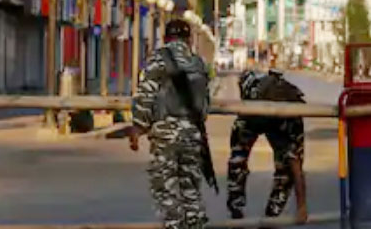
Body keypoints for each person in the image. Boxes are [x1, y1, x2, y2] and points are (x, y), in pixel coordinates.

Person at [130, 19, 211, 229]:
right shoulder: (198, 63)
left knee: (165, 188)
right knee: (191, 189)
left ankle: (174, 226)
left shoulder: (158, 59)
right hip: (193, 133)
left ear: (166, 38)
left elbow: (146, 94)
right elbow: (205, 103)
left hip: (166, 133)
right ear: (189, 39)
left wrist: (138, 127)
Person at [227, 69, 308, 222]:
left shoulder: (291, 115)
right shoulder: (251, 102)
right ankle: (237, 207)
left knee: (286, 170)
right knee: (237, 161)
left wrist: (302, 206)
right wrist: (302, 206)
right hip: (253, 111)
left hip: (275, 115)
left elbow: (296, 165)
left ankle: (269, 214)